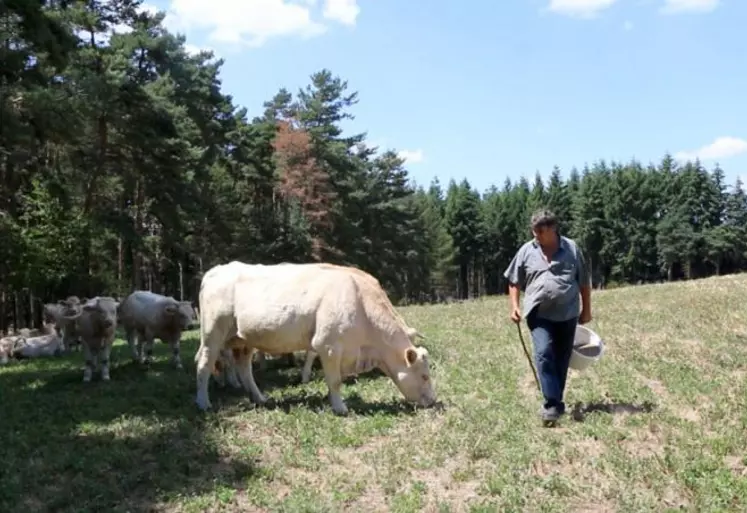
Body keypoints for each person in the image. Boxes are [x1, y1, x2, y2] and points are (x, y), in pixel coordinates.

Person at [503, 208, 592, 425]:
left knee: (561, 359)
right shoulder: (527, 250)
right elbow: (514, 280)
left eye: (540, 231)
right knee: (543, 353)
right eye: (534, 231)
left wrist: (587, 310)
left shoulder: (571, 248)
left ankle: (556, 402)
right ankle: (552, 404)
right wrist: (514, 306)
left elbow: (583, 281)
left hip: (567, 313)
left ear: (553, 229)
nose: (536, 236)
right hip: (539, 313)